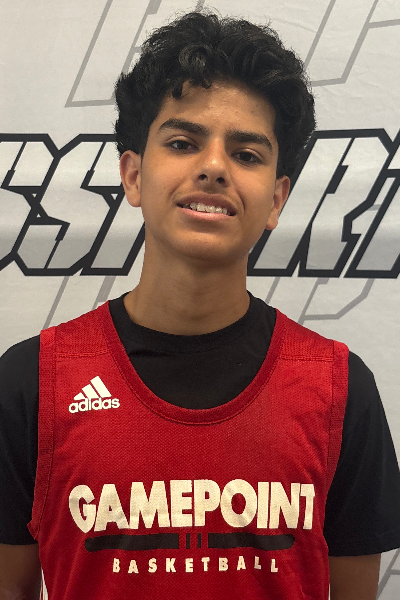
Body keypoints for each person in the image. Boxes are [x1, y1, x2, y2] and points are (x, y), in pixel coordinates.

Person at [1, 11, 400, 600]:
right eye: (183, 143)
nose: (214, 167)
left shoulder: (341, 392)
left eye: (247, 154)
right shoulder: (30, 384)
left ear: (277, 199)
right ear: (133, 176)